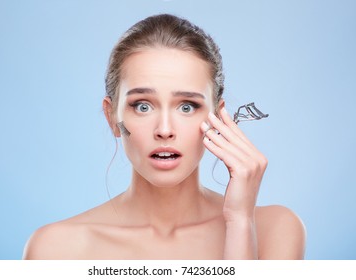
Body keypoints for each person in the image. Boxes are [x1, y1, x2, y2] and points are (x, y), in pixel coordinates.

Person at [23, 14, 305, 260]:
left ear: (219, 118)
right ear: (112, 117)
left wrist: (240, 222)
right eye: (142, 106)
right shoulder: (55, 249)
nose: (165, 130)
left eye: (187, 106)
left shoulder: (274, 229)